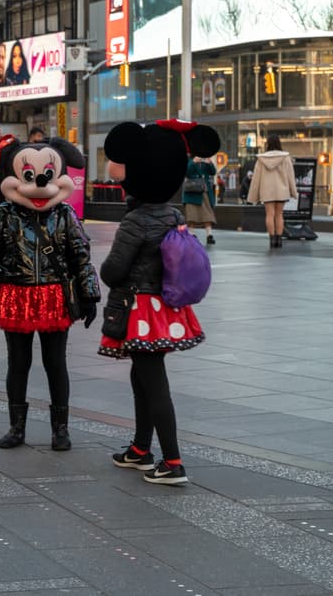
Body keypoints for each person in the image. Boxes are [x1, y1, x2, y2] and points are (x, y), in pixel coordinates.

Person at [97, 120, 219, 486]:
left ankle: (172, 460)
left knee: (154, 382)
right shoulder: (174, 215)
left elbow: (112, 270)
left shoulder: (135, 221)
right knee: (143, 378)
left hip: (140, 310)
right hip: (165, 309)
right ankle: (139, 448)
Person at [0, 139, 99, 451]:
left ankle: (61, 429)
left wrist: (89, 293)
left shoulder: (65, 214)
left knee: (56, 363)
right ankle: (16, 428)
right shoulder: (3, 215)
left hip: (55, 294)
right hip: (15, 294)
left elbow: (81, 255)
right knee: (18, 363)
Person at [246, 134, 297, 249]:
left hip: (266, 190)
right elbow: (290, 176)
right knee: (279, 214)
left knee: (269, 214)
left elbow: (256, 179)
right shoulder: (286, 158)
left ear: (267, 144)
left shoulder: (261, 159)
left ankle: (272, 240)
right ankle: (279, 240)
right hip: (282, 190)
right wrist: (294, 192)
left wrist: (253, 195)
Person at [183, 155, 218, 245]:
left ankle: (209, 235)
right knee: (191, 215)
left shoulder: (205, 160)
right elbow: (186, 172)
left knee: (207, 214)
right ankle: (192, 235)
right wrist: (193, 162)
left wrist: (210, 163)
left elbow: (213, 172)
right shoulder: (189, 160)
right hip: (191, 192)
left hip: (204, 192)